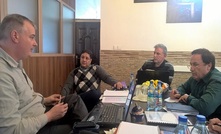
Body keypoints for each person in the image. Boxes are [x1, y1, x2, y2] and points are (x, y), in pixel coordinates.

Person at [0, 14, 88, 134]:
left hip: (39, 112)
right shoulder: (3, 74)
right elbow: (11, 130)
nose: (35, 43)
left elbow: (25, 98)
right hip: (33, 127)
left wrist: (45, 100)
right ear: (15, 36)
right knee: (75, 128)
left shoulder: (16, 62)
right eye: (31, 37)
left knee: (74, 99)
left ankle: (91, 128)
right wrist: (49, 116)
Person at [170, 48, 221, 120]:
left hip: (212, 126)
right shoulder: (196, 77)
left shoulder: (217, 81)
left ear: (209, 66)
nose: (191, 69)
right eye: (191, 65)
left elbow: (205, 108)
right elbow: (183, 88)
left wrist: (188, 98)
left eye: (195, 65)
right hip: (196, 118)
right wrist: (178, 92)